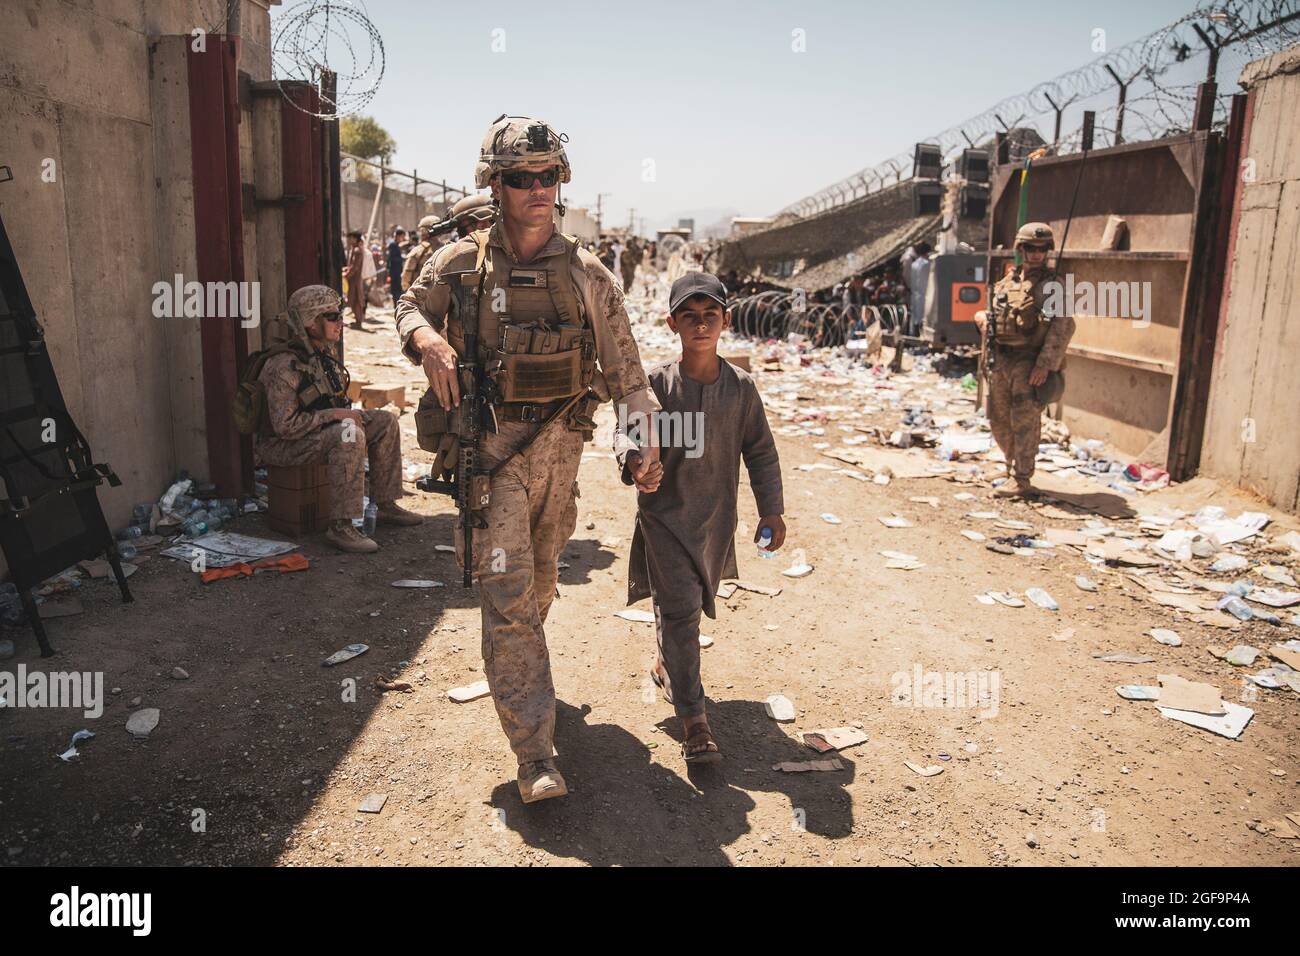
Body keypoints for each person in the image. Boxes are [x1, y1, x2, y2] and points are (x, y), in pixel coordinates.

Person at [395, 115, 660, 803]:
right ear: (496, 183)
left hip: (561, 458)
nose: (536, 189)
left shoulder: (588, 276)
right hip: (490, 457)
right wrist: (428, 341)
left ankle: (523, 678)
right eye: (520, 178)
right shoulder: (460, 265)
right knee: (508, 597)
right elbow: (406, 306)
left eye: (547, 175)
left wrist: (645, 448)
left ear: (561, 180)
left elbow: (629, 377)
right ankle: (535, 752)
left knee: (541, 586)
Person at [616, 272, 785, 764]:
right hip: (664, 521)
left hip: (714, 524)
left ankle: (668, 665)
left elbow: (762, 453)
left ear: (726, 321)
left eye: (710, 315)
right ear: (672, 323)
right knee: (683, 610)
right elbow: (628, 430)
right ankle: (694, 719)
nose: (701, 325)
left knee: (681, 609)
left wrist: (771, 510)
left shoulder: (741, 389)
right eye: (689, 316)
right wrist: (635, 463)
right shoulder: (656, 386)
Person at [255, 285, 424, 553]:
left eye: (340, 315)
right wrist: (334, 416)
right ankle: (341, 526)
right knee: (349, 434)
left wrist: (343, 414)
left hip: (313, 434)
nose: (340, 323)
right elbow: (285, 427)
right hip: (280, 446)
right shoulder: (283, 366)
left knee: (385, 422)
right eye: (332, 317)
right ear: (311, 322)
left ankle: (385, 504)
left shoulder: (320, 356)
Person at [974, 222, 1075, 498]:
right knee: (998, 417)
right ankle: (1009, 465)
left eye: (1042, 249)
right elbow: (995, 313)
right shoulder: (1007, 281)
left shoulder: (1053, 285)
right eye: (1030, 248)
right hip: (1002, 359)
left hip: (1029, 362)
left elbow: (1063, 326)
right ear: (1021, 249)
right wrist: (981, 318)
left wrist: (1045, 364)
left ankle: (1022, 478)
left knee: (1025, 420)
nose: (1036, 254)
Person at [344, 231, 367, 329]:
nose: (349, 240)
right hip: (353, 279)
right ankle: (357, 321)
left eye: (350, 238)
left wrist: (346, 275)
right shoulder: (355, 249)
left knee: (357, 301)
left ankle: (358, 323)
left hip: (355, 280)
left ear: (355, 238)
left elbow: (354, 267)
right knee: (353, 301)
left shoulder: (357, 250)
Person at [387, 227, 407, 304]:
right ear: (399, 236)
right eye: (402, 236)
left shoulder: (396, 245)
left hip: (397, 271)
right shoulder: (393, 245)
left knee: (398, 289)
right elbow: (392, 258)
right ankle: (397, 305)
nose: (403, 238)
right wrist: (402, 259)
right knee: (396, 290)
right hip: (395, 271)